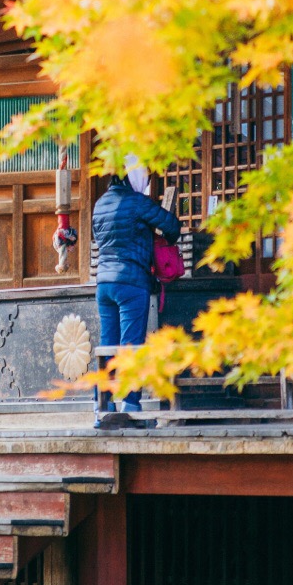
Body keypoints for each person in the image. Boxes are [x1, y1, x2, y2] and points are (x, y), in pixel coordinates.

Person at [91, 158, 180, 429]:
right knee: (131, 345)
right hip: (131, 283)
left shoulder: (99, 203)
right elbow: (172, 226)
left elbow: (100, 238)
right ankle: (131, 406)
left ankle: (102, 406)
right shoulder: (138, 202)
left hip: (103, 283)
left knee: (109, 345)